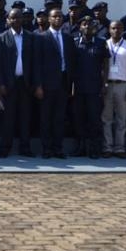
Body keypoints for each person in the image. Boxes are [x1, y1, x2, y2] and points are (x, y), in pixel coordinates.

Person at [34, 9, 75, 159]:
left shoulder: (68, 38)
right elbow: (37, 63)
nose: (58, 19)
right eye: (54, 16)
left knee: (59, 118)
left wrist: (72, 84)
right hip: (46, 84)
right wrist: (38, 85)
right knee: (45, 118)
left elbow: (72, 62)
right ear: (49, 19)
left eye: (60, 16)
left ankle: (58, 148)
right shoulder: (41, 37)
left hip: (63, 83)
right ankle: (47, 149)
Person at [0, 8, 36, 157]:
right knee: (8, 117)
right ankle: (5, 147)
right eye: (12, 18)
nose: (15, 20)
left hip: (25, 83)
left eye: (18, 17)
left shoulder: (31, 37)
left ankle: (25, 147)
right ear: (8, 20)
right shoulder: (1, 38)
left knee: (25, 117)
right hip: (9, 83)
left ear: (23, 19)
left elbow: (35, 62)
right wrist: (1, 84)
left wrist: (34, 83)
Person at [70, 17, 109, 159]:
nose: (87, 26)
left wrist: (104, 84)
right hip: (78, 88)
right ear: (80, 27)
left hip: (95, 88)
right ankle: (80, 147)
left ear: (95, 27)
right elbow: (71, 66)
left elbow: (105, 65)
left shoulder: (101, 42)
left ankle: (94, 148)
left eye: (90, 24)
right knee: (78, 119)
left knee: (94, 120)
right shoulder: (74, 43)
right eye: (84, 24)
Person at [101, 20, 126, 158]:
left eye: (119, 28)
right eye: (113, 28)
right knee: (106, 118)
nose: (116, 30)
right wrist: (103, 85)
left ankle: (119, 148)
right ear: (109, 30)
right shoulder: (104, 45)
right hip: (107, 85)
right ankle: (107, 147)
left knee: (121, 119)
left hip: (123, 85)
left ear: (123, 29)